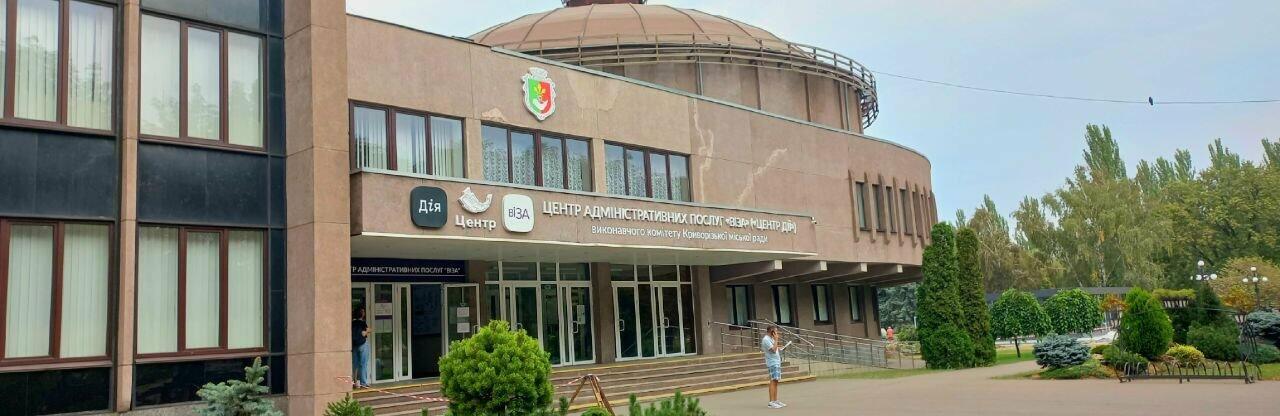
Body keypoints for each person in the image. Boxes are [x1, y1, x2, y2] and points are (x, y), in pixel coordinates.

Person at [761, 325, 786, 409]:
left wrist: (780, 348)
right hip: (772, 362)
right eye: (775, 331)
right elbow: (773, 350)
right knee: (773, 381)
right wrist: (776, 340)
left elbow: (775, 348)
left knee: (776, 381)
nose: (777, 333)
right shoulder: (766, 339)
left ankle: (775, 400)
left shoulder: (771, 339)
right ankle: (771, 402)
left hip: (776, 362)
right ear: (771, 331)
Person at [352, 308, 370, 388]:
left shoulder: (352, 323)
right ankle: (363, 383)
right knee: (363, 364)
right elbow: (364, 333)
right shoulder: (362, 323)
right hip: (362, 344)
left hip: (354, 345)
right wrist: (367, 331)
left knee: (355, 364)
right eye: (363, 312)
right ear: (362, 314)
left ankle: (355, 382)